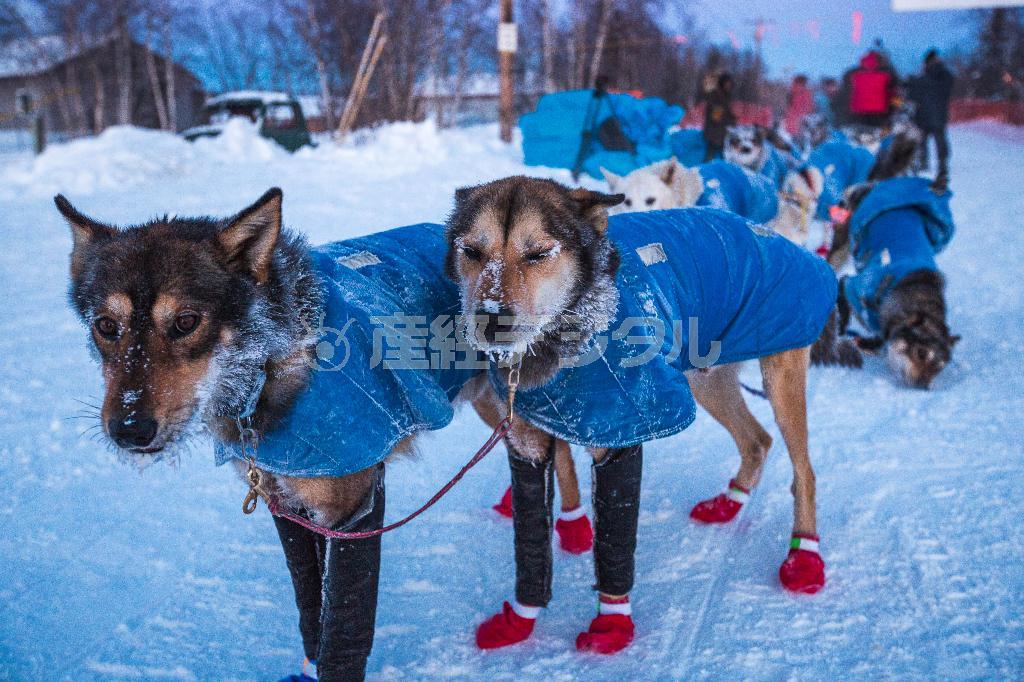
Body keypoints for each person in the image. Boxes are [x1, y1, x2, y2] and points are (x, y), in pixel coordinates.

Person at [909, 49, 954, 181]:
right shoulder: (946, 76)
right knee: (940, 141)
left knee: (922, 141)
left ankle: (923, 162)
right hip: (939, 115)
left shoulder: (921, 79)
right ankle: (943, 165)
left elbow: (912, 96)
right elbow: (947, 91)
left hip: (922, 116)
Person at [843, 50, 897, 128]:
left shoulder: (852, 73)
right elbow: (893, 91)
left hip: (858, 113)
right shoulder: (887, 73)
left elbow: (847, 89)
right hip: (880, 113)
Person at [701, 72, 737, 161]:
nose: (728, 86)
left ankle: (716, 171)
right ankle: (704, 171)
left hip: (721, 132)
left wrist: (733, 118)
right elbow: (716, 115)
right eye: (726, 84)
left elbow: (726, 112)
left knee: (722, 155)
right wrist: (728, 119)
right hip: (714, 131)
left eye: (730, 84)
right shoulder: (716, 95)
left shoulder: (727, 97)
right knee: (711, 154)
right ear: (722, 83)